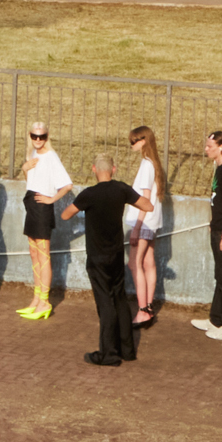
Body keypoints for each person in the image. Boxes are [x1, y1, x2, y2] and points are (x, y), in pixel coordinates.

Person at [60, 154, 150, 366]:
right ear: (114, 169)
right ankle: (127, 350)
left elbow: (65, 215)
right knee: (119, 297)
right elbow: (148, 206)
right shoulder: (121, 189)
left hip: (97, 256)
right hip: (116, 254)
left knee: (105, 302)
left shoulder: (89, 194)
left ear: (93, 169)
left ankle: (108, 353)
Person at [17, 123, 72, 321]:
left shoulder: (51, 157)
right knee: (33, 253)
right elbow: (31, 180)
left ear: (47, 136)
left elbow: (67, 185)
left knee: (43, 254)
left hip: (42, 207)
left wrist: (51, 200)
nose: (37, 140)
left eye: (41, 137)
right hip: (31, 203)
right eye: (34, 136)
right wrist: (24, 168)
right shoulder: (33, 153)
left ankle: (45, 302)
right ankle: (36, 299)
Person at [191, 131, 222, 342]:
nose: (206, 149)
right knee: (219, 275)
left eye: (210, 146)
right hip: (218, 228)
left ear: (221, 147)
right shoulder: (219, 168)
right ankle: (215, 319)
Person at [125, 124, 168, 325]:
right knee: (148, 262)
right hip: (151, 222)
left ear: (144, 141)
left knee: (135, 264)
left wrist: (136, 227)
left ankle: (142, 310)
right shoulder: (154, 163)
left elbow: (145, 199)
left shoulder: (146, 165)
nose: (132, 144)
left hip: (143, 222)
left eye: (135, 140)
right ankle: (148, 307)